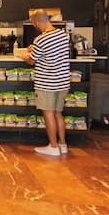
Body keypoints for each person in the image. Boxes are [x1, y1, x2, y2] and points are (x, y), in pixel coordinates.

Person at [21, 9, 71, 156]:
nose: (35, 27)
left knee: (48, 114)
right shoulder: (63, 35)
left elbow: (31, 60)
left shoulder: (41, 39)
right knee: (58, 113)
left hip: (47, 83)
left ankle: (53, 147)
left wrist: (23, 55)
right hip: (62, 82)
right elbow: (50, 52)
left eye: (34, 24)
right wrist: (34, 49)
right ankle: (62, 145)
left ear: (37, 22)